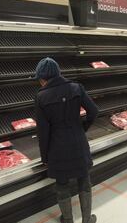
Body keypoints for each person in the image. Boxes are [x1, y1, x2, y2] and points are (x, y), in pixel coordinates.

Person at [34, 57, 99, 223]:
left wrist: (45, 157)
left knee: (62, 185)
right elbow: (93, 111)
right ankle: (87, 219)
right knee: (84, 180)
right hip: (78, 142)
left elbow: (43, 131)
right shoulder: (76, 87)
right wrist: (81, 128)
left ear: (43, 78)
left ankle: (68, 220)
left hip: (57, 148)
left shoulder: (41, 97)